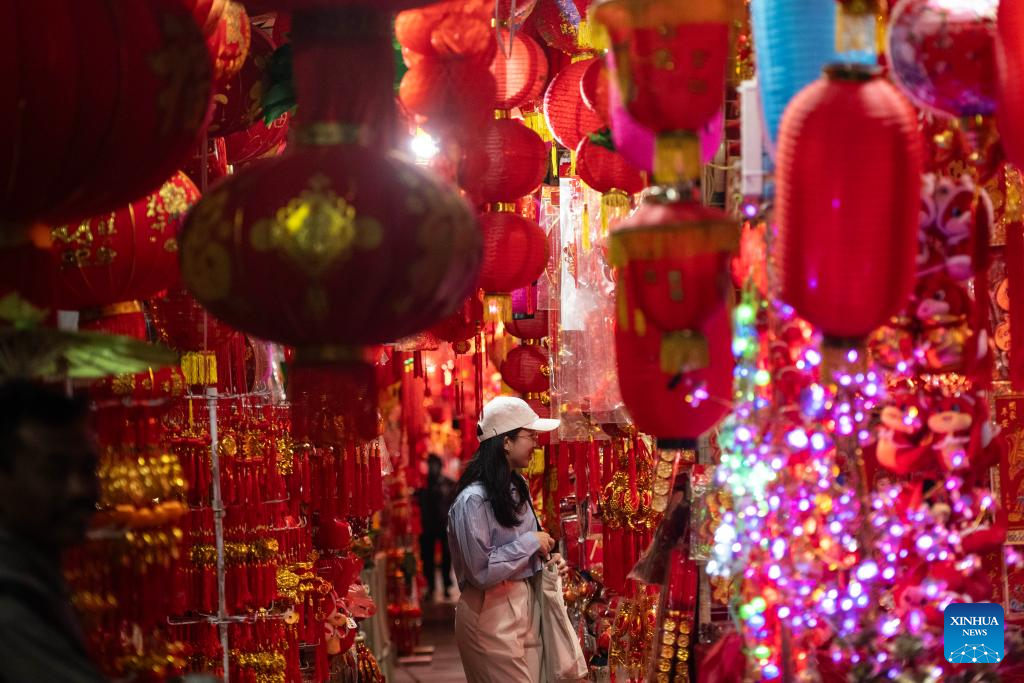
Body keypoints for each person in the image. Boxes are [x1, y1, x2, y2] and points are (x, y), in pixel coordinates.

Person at [447, 396, 566, 682]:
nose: (536, 443)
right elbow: (481, 571)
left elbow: (527, 546)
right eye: (530, 436)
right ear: (505, 442)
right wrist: (531, 544)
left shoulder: (518, 486)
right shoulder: (472, 501)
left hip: (524, 606)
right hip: (488, 613)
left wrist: (546, 559)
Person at [0, 380, 104, 682]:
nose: (79, 490)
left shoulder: (34, 580)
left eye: (88, 469)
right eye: (53, 471)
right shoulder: (10, 611)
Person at [415, 453, 455, 601]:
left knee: (446, 557)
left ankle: (446, 586)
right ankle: (431, 586)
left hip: (444, 526)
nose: (432, 468)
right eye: (430, 465)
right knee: (427, 558)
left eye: (435, 464)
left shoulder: (449, 484)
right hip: (427, 527)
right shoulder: (423, 486)